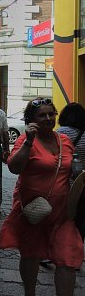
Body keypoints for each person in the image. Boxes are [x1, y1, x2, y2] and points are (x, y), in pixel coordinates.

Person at [0, 98, 84, 296]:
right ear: (31, 121)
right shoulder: (27, 140)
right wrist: (28, 142)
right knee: (31, 255)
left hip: (63, 213)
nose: (48, 119)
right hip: (33, 211)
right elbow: (14, 167)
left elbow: (71, 169)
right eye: (42, 115)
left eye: (51, 114)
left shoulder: (65, 140)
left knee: (67, 261)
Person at [57, 102, 85, 239]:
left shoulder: (61, 133)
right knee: (81, 217)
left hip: (65, 183)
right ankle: (78, 245)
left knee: (64, 217)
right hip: (82, 183)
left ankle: (63, 248)